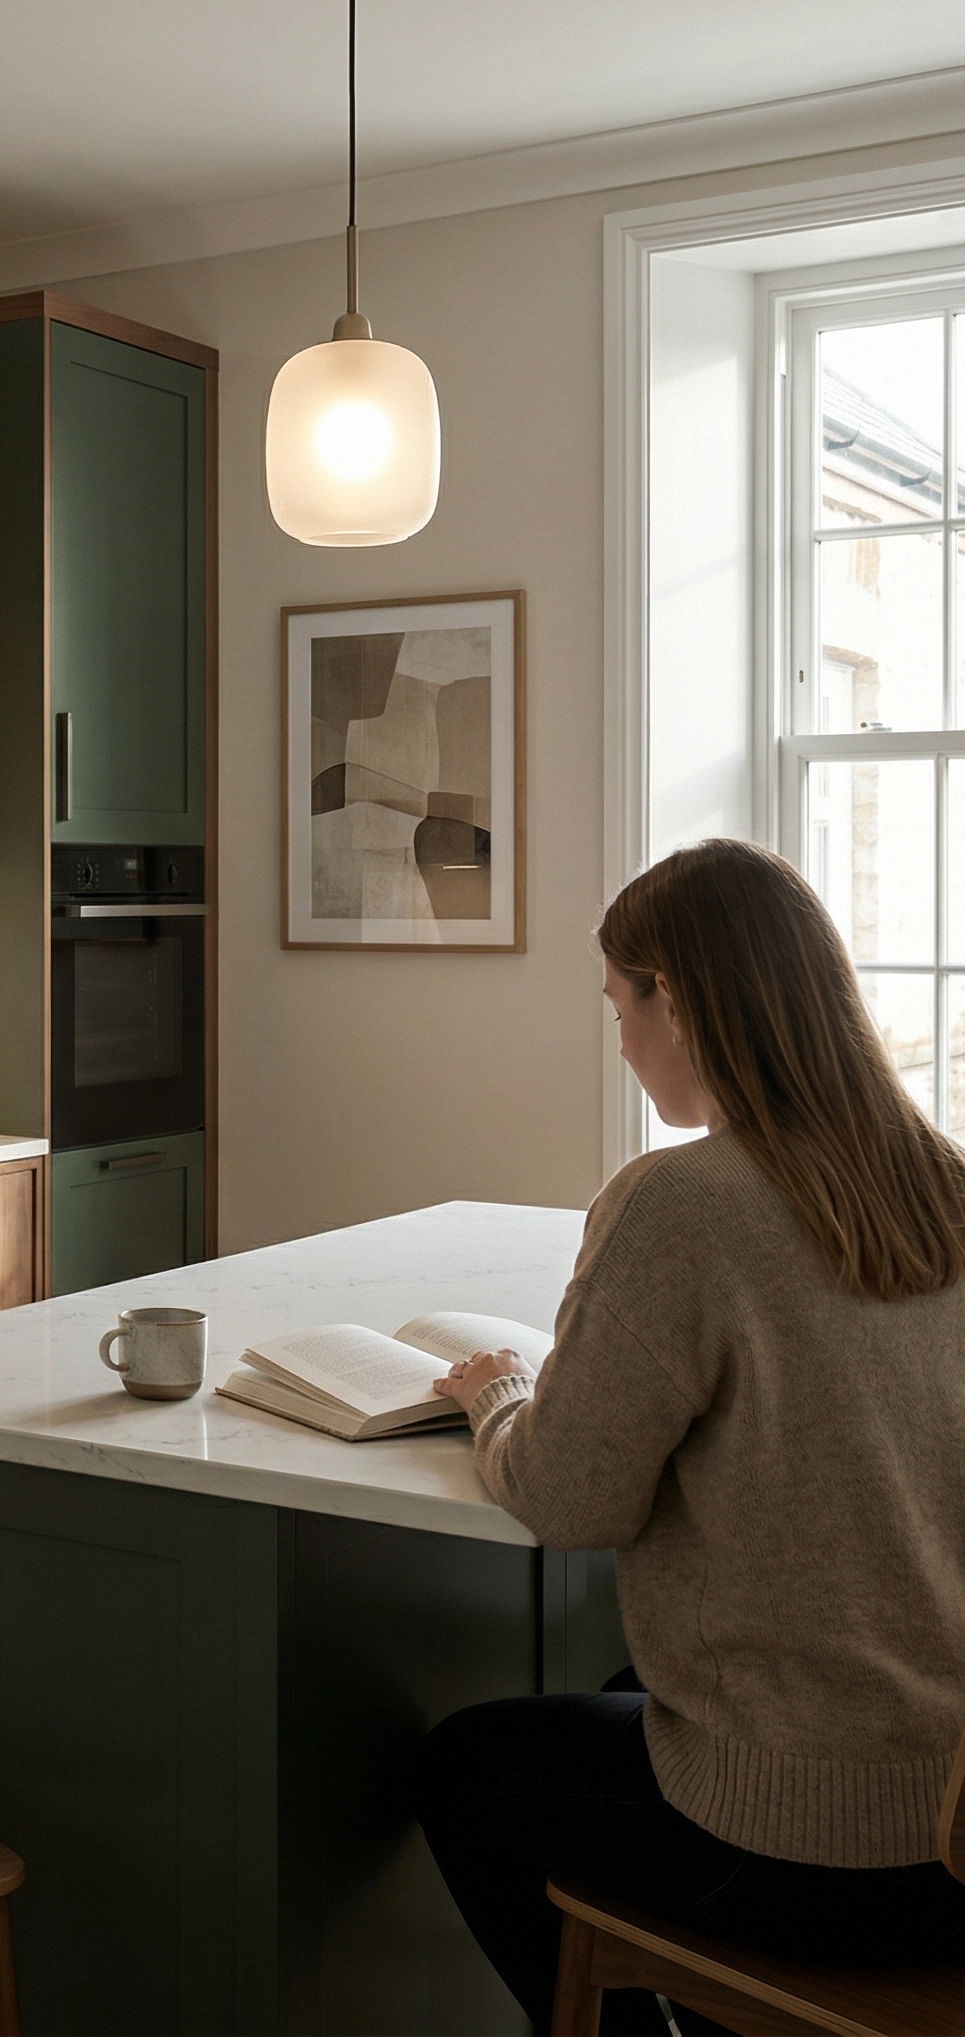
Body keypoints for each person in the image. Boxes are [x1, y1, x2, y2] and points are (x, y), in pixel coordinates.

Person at [413, 838, 965, 2036]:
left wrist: (499, 1392)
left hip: (815, 1852)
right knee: (622, 1692)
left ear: (677, 993)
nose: (617, 1036)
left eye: (619, 1002)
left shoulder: (678, 1203)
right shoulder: (941, 1183)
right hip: (954, 1829)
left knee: (464, 1767)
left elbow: (567, 1498)